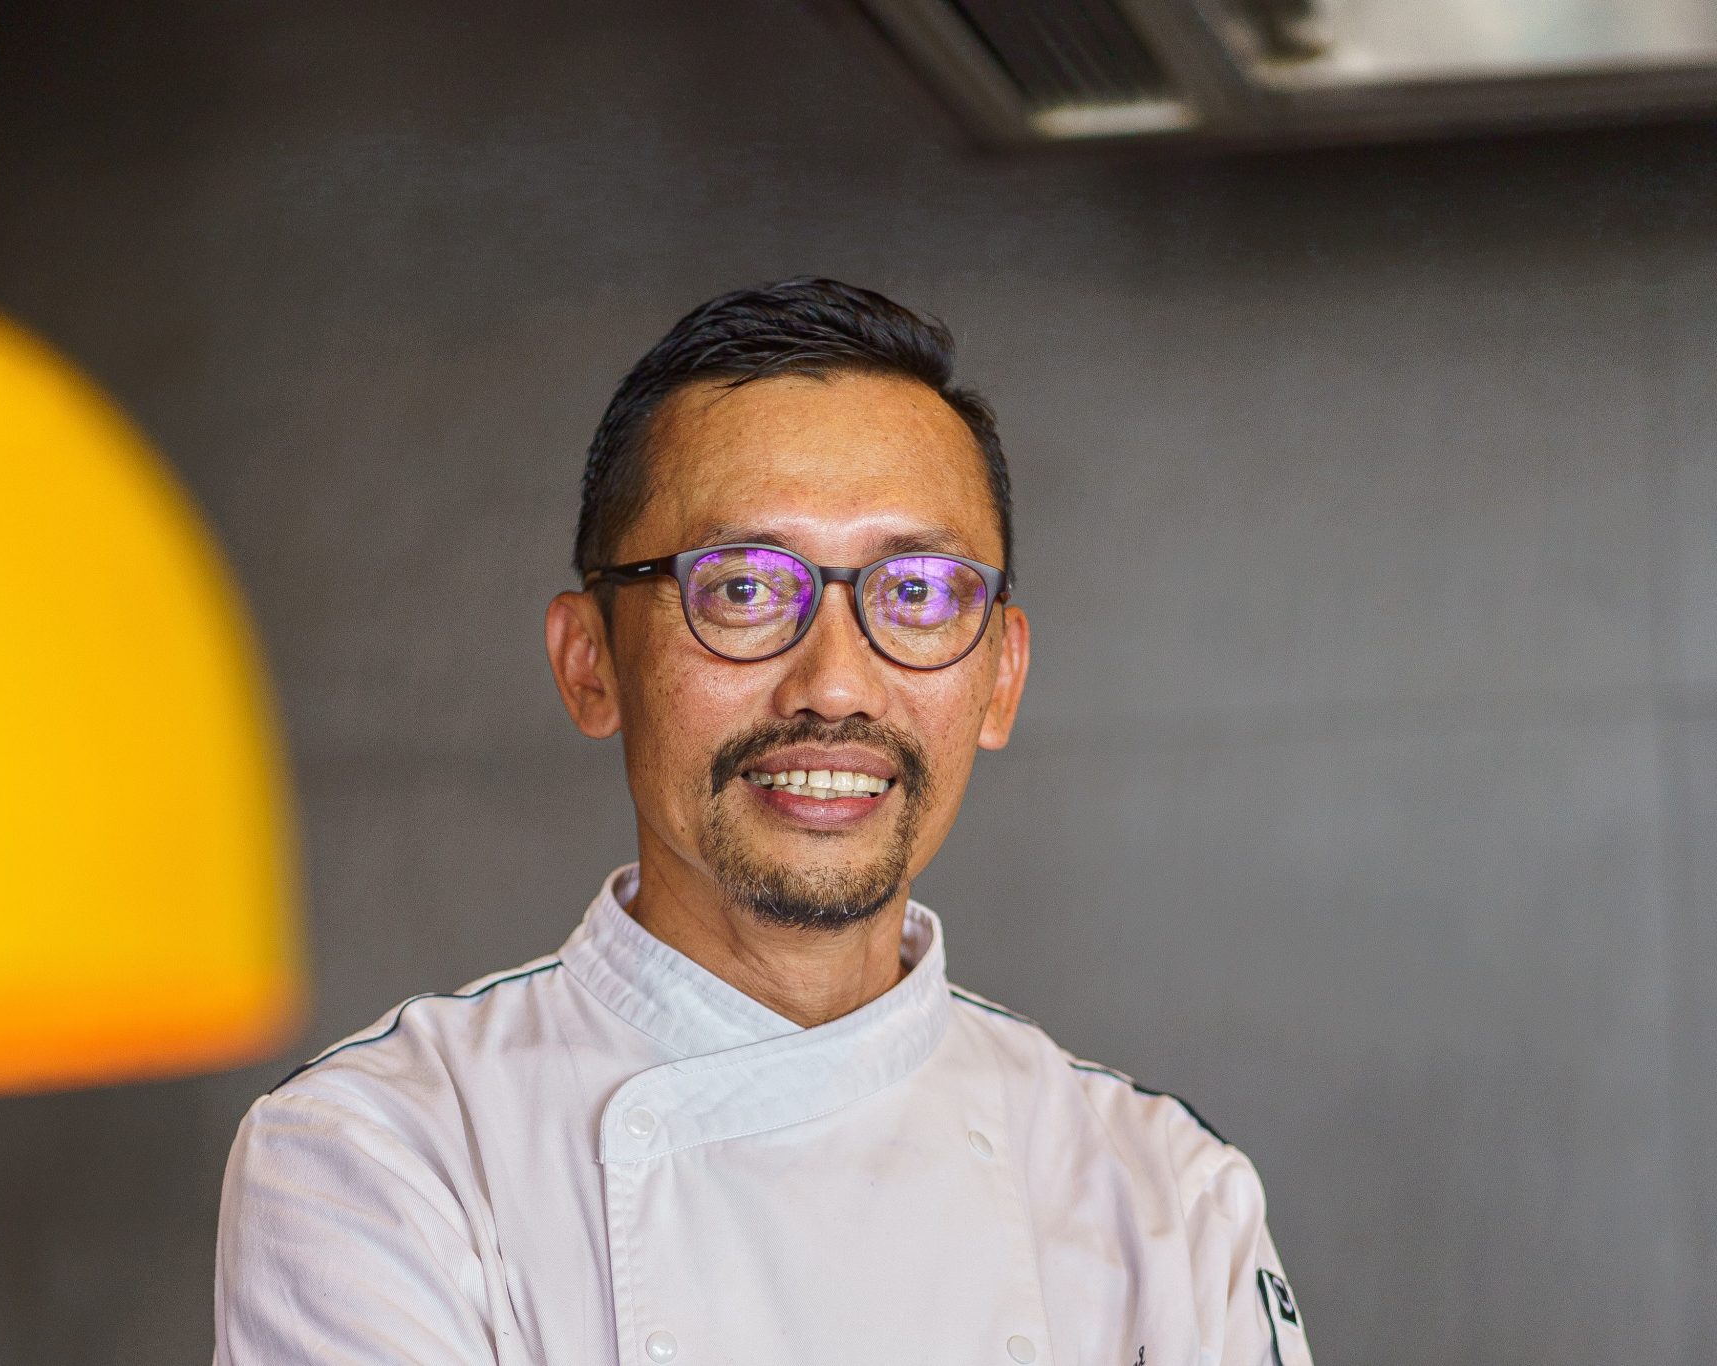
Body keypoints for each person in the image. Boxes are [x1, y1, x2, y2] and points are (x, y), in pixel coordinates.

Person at [212, 278, 1315, 1366]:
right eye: (741, 588)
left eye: (918, 593)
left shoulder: (1170, 1200)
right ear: (589, 662)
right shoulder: (384, 1156)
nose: (833, 685)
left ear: (1001, 679)